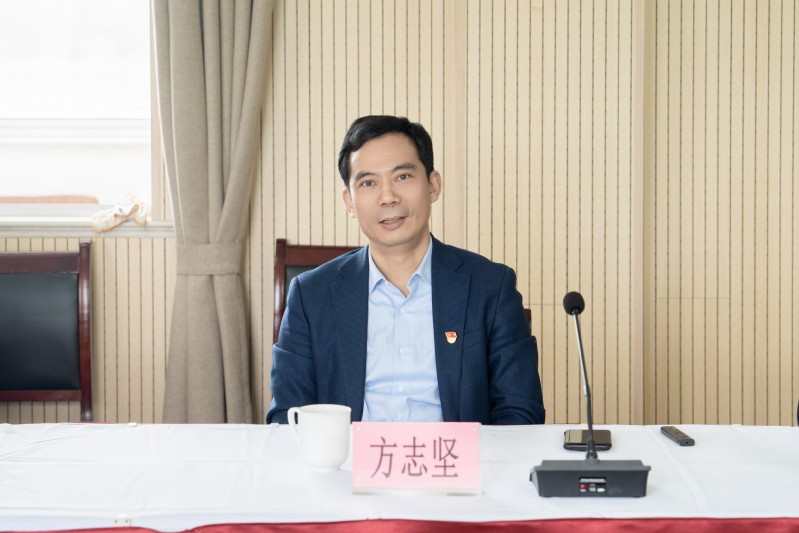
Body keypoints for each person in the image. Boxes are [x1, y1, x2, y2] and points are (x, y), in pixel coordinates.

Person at [267, 115, 545, 425]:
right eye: (368, 182)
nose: (388, 197)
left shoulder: (490, 287)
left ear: (433, 185)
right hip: (348, 457)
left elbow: (520, 413)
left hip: (456, 456)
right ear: (350, 202)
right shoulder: (311, 295)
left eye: (402, 176)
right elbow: (286, 417)